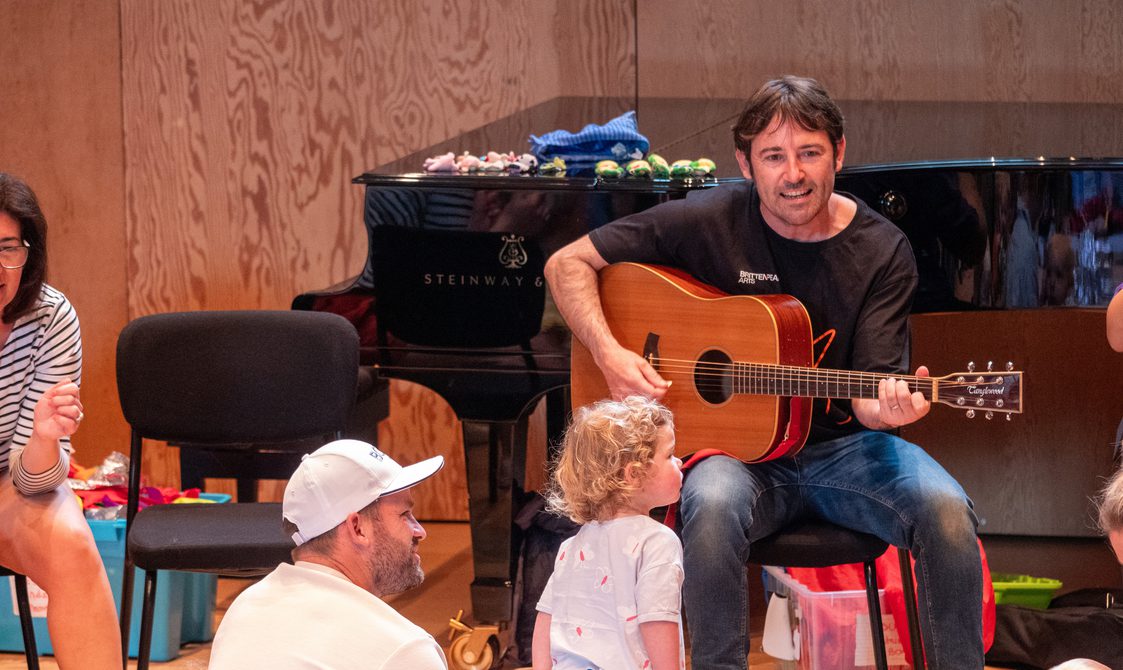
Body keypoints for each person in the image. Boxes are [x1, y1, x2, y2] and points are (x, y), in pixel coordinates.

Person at [543, 76, 984, 669]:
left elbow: (871, 399)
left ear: (840, 153)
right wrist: (608, 353)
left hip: (847, 449)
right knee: (713, 505)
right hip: (733, 454)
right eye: (774, 156)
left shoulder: (882, 250)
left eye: (810, 153)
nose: (793, 174)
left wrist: (893, 407)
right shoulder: (705, 221)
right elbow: (567, 262)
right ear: (745, 164)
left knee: (947, 510)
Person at [0, 172, 122, 668]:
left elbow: (34, 482)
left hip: (7, 483)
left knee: (72, 544)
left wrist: (45, 438)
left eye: (8, 248)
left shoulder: (50, 318)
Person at [208, 438, 447, 669]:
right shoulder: (404, 652)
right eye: (404, 515)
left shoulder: (243, 612)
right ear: (357, 528)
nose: (420, 531)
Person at [532, 396, 685, 670]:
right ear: (633, 474)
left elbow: (546, 620)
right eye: (670, 455)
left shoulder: (572, 546)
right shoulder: (657, 542)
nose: (681, 463)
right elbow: (657, 619)